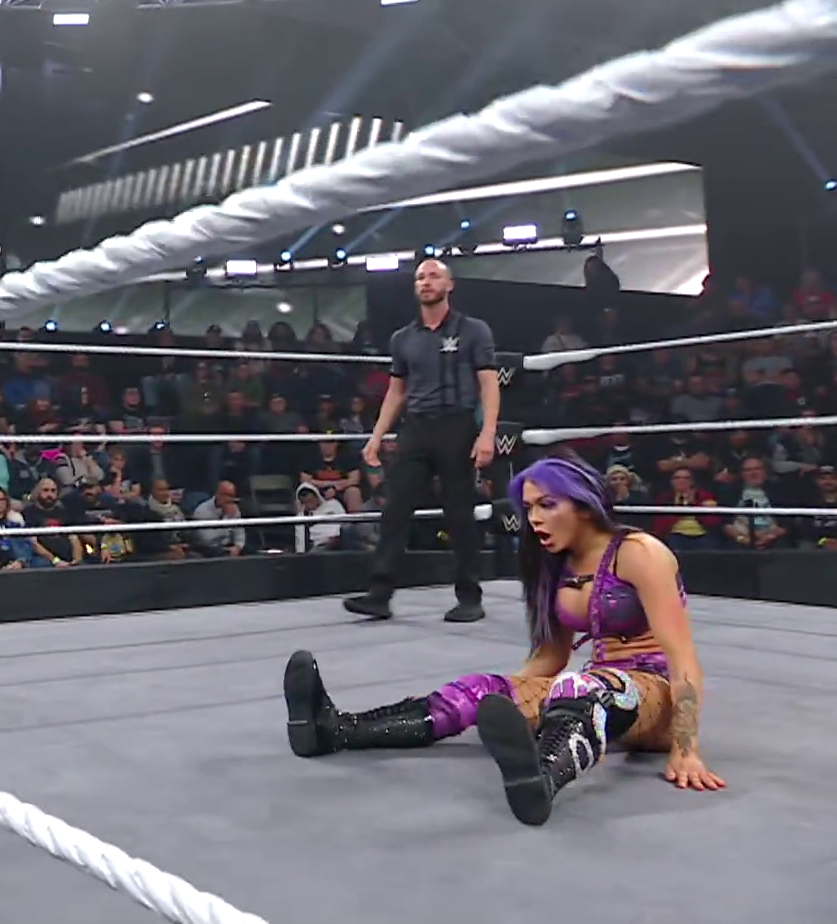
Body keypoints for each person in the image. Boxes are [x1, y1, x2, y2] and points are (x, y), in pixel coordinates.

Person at [284, 455, 723, 826]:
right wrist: (507, 698)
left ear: (584, 504)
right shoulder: (553, 564)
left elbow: (683, 658)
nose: (534, 518)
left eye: (547, 505)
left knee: (579, 687)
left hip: (658, 695)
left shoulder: (640, 553)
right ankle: (336, 730)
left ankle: (542, 780)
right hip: (597, 689)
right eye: (529, 508)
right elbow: (551, 655)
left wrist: (686, 748)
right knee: (480, 689)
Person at [346, 258, 498, 623]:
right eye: (420, 277)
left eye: (433, 276)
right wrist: (376, 436)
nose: (426, 282)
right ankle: (379, 594)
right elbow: (396, 391)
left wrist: (487, 433)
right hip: (415, 426)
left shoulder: (473, 330)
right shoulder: (403, 338)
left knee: (459, 511)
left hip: (457, 423)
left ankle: (469, 596)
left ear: (449, 285)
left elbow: (489, 383)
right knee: (395, 507)